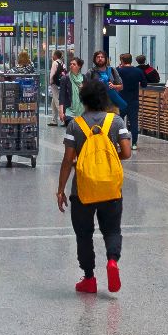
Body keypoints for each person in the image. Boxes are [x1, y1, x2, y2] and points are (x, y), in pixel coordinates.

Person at [56, 79, 132, 294]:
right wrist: (108, 159)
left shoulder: (75, 124)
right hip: (110, 188)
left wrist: (61, 190)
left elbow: (67, 159)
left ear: (83, 99)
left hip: (83, 190)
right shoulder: (116, 122)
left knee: (84, 234)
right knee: (112, 230)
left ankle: (89, 278)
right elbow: (126, 152)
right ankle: (112, 261)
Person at [117, 51, 146, 148]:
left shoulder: (118, 71)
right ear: (131, 60)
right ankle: (134, 143)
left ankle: (118, 141)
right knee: (134, 122)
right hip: (134, 100)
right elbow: (144, 84)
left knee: (117, 121)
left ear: (122, 61)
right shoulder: (138, 71)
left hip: (121, 100)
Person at [48, 51, 68, 124]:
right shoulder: (63, 63)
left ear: (56, 56)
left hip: (54, 84)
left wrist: (50, 82)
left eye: (53, 55)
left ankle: (63, 119)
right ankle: (54, 120)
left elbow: (52, 74)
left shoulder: (55, 63)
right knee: (53, 102)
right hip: (60, 84)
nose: (52, 56)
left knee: (57, 102)